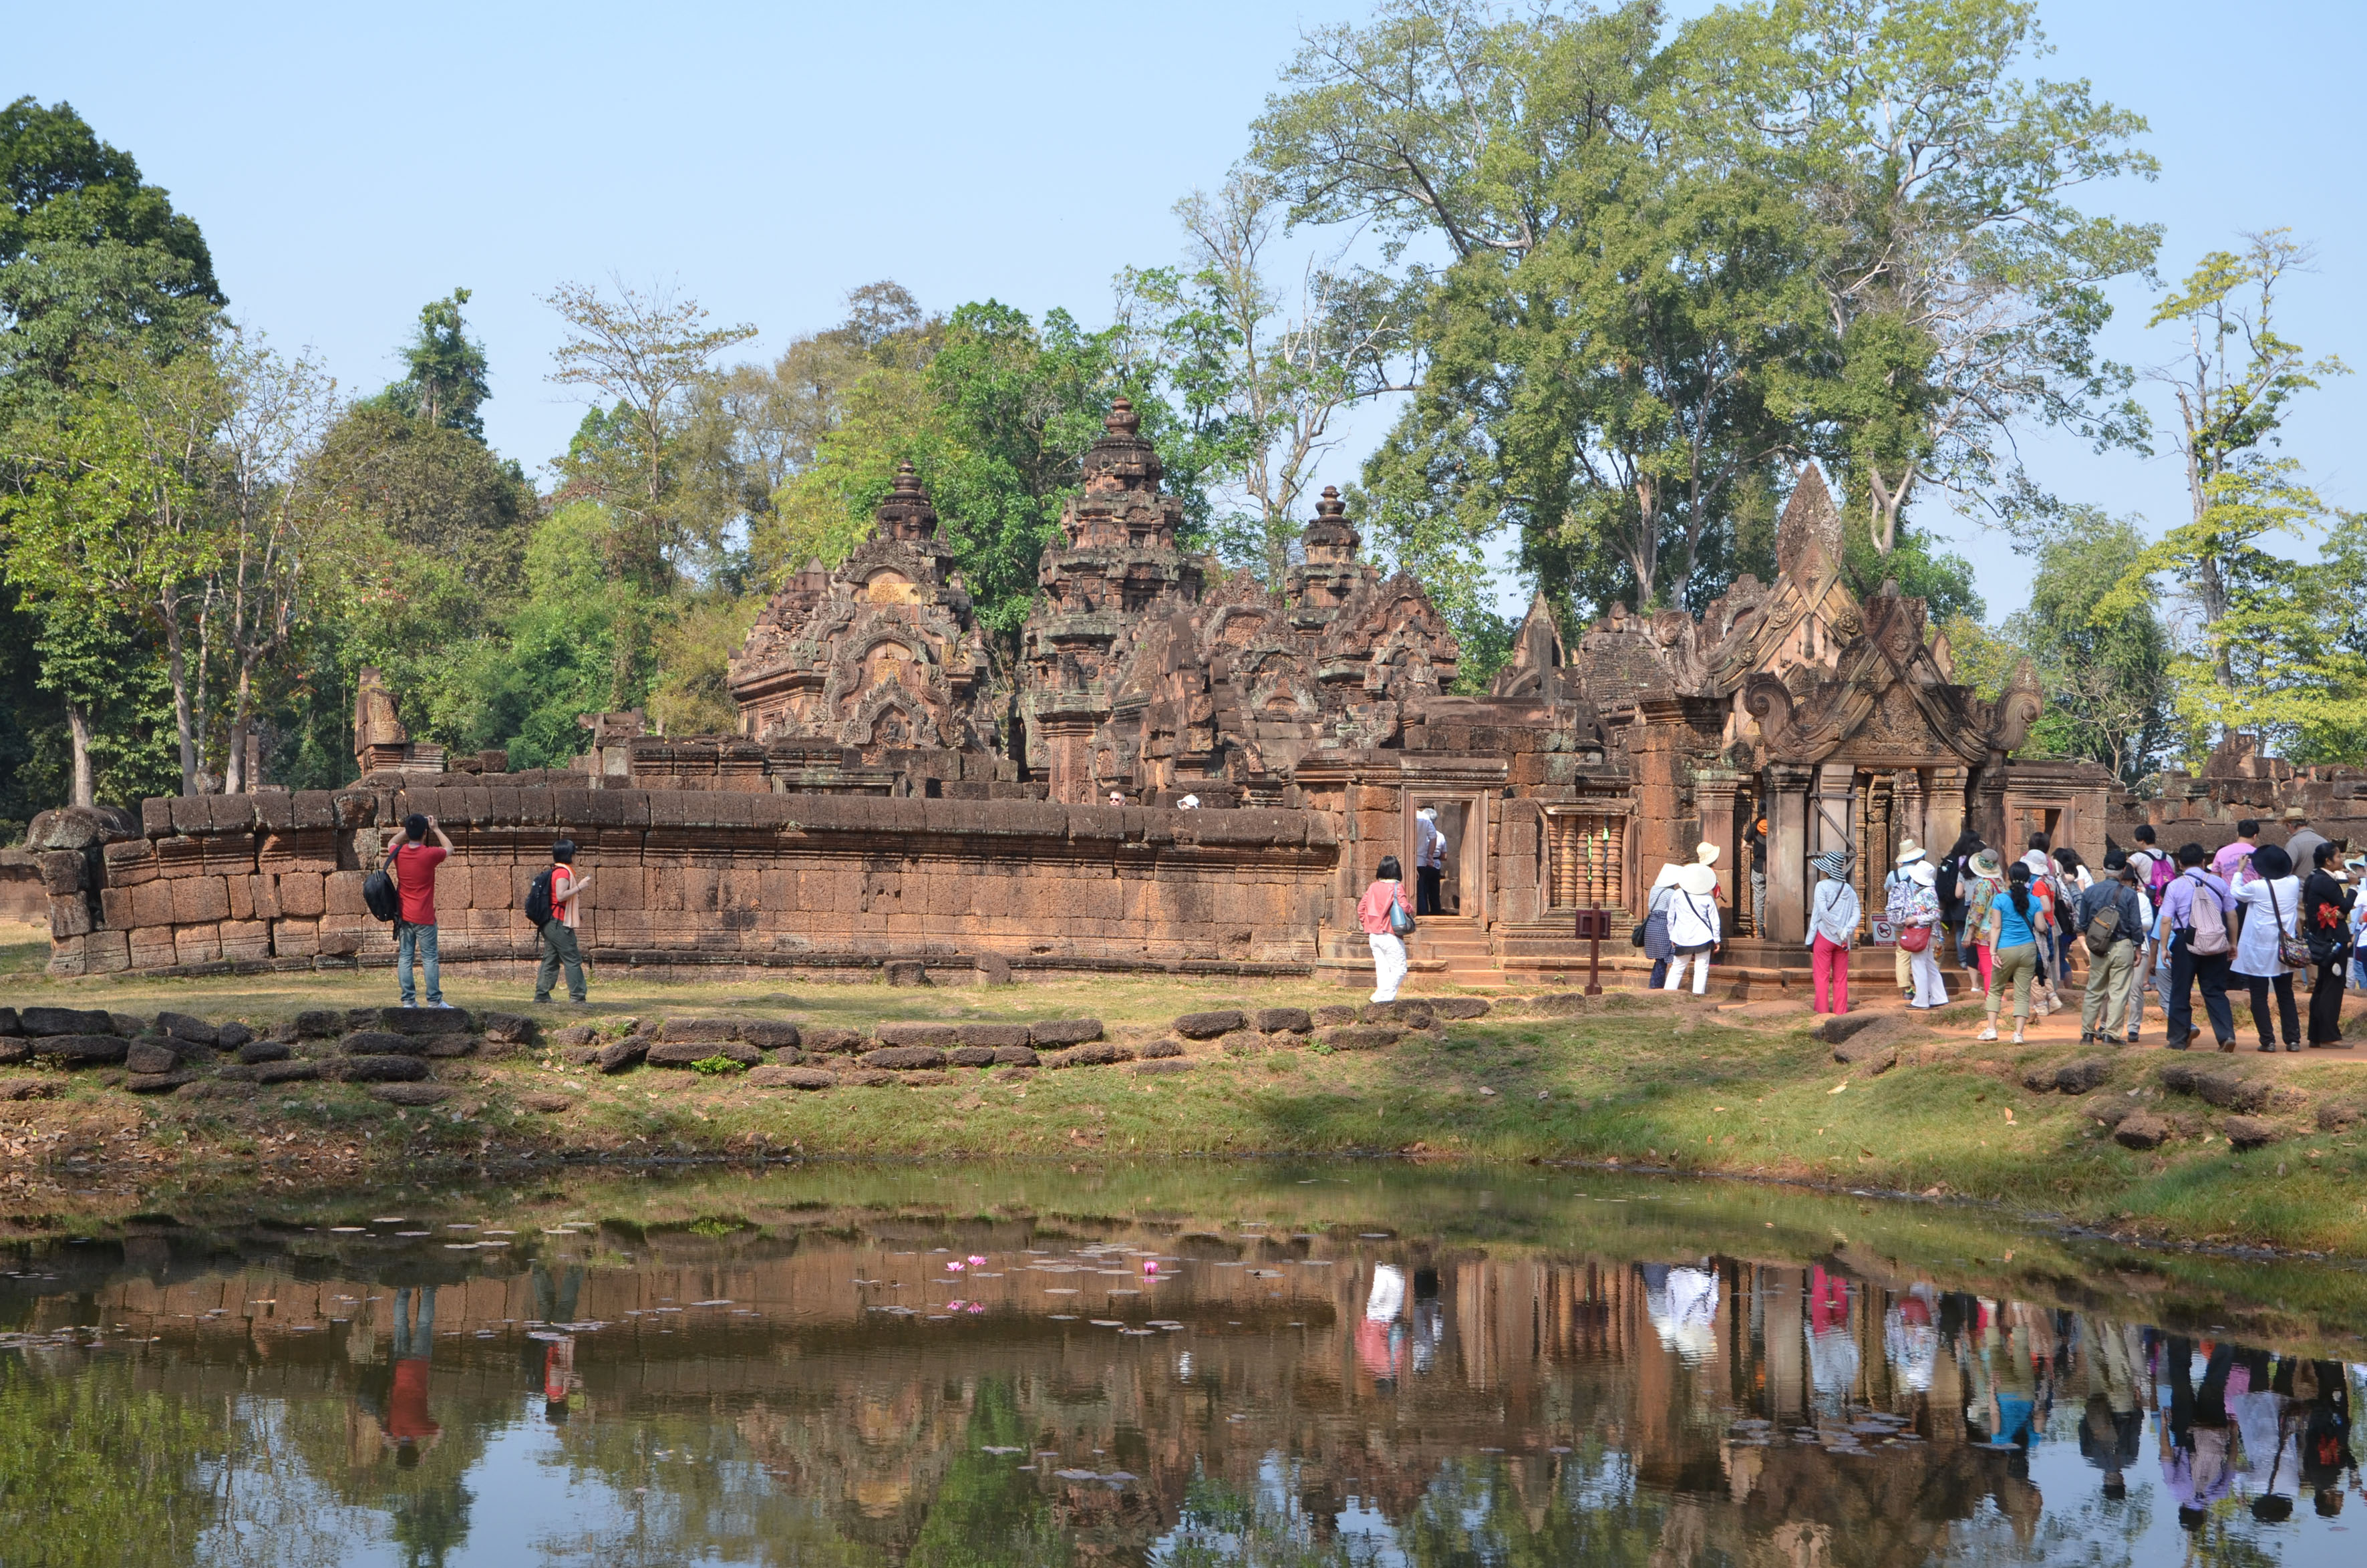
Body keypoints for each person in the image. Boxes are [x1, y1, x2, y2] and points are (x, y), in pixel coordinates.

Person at [2161, 842, 2238, 1052]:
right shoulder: (2219, 883)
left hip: (2185, 940)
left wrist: (2164, 948)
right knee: (2215, 991)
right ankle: (2226, 1036)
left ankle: (2178, 1039)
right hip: (2216, 941)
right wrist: (2232, 943)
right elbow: (2231, 915)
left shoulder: (2176, 886)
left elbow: (2166, 919)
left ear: (2180, 863)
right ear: (2204, 862)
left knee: (2180, 990)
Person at [2233, 842, 2305, 1053]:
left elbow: (2236, 892)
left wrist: (2240, 870)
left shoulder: (2256, 887)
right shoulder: (2292, 883)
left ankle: (2268, 1040)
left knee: (2258, 995)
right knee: (2286, 995)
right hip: (2285, 951)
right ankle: (2293, 1040)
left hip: (2259, 950)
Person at [1976, 862, 2055, 1044]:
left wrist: (1993, 951)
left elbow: (1996, 927)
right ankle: (2018, 1034)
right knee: (2022, 992)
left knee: (1996, 989)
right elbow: (2042, 926)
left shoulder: (2001, 899)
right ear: (2028, 879)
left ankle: (1991, 1029)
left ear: (2009, 878)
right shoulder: (2035, 901)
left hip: (2005, 948)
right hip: (2028, 950)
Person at [2075, 855, 2147, 1046]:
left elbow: (2081, 923)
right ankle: (2111, 1035)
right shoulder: (2130, 894)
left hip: (2099, 946)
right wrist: (2138, 948)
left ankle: (2087, 1034)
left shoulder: (2090, 892)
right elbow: (2135, 925)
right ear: (2124, 871)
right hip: (2123, 945)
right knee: (2118, 991)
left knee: (2094, 990)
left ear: (2103, 869)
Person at [387, 812, 453, 1009]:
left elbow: (391, 841)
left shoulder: (398, 852)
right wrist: (436, 829)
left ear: (408, 832)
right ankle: (434, 1001)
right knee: (430, 957)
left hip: (404, 915)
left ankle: (408, 1000)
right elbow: (450, 848)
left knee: (406, 956)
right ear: (424, 832)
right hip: (424, 916)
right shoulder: (430, 854)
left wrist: (407, 830)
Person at [2302, 843, 2350, 1048]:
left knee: (2323, 985)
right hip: (2332, 940)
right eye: (2338, 856)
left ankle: (2317, 1034)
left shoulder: (2314, 877)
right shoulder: (2325, 881)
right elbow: (2345, 905)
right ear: (2328, 861)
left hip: (2322, 939)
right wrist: (2354, 887)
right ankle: (2329, 1036)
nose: (2341, 859)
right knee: (2333, 986)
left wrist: (2339, 911)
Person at [534, 838, 592, 1005]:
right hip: (558, 922)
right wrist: (580, 886)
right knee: (572, 958)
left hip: (552, 921)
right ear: (569, 854)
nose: (575, 855)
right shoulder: (563, 873)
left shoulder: (556, 871)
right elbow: (560, 896)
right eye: (574, 852)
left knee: (551, 958)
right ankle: (578, 996)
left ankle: (542, 995)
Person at [1356, 856, 1414, 1004]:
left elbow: (1361, 908)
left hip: (1374, 934)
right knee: (1400, 968)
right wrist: (1411, 908)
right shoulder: (1397, 886)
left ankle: (1382, 1000)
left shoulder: (1373, 887)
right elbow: (1404, 906)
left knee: (1382, 969)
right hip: (1390, 933)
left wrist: (1368, 923)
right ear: (1397, 870)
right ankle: (1382, 997)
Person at [1808, 848, 1859, 1015]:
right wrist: (1846, 930)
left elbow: (1823, 912)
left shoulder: (1821, 886)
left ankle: (1822, 1012)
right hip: (1843, 940)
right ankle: (1840, 1012)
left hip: (1825, 936)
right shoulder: (1849, 890)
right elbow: (1856, 913)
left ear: (1827, 870)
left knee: (1822, 977)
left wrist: (1837, 930)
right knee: (1841, 978)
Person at [1662, 862, 1722, 995]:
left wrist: (1672, 935)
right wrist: (1716, 939)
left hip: (1682, 936)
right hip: (1704, 937)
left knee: (1677, 967)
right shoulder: (1707, 898)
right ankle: (1698, 996)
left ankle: (1667, 996)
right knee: (1702, 968)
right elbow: (1714, 920)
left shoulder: (1678, 894)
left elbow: (1670, 917)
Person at [1963, 847, 2009, 999]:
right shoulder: (2001, 884)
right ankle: (1998, 996)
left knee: (1988, 967)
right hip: (2000, 930)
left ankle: (1994, 1000)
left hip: (1984, 933)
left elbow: (1977, 911)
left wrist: (1969, 933)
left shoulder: (1984, 885)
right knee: (1992, 966)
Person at [1935, 831, 1984, 972]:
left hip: (1959, 901)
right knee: (1973, 929)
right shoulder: (1972, 861)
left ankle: (1963, 960)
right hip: (1970, 901)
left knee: (1961, 930)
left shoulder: (1954, 859)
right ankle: (1972, 960)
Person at [1903, 859, 1949, 1008]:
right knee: (1929, 965)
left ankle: (1921, 1000)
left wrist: (1915, 919)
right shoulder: (1926, 892)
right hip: (1927, 933)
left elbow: (1935, 914)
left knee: (1918, 965)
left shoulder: (1927, 893)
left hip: (1923, 933)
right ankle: (1938, 997)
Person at [1885, 842, 1926, 1002]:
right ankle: (1922, 986)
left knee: (1902, 952)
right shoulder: (1919, 872)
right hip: (1917, 918)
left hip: (1899, 919)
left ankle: (1906, 989)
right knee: (1920, 951)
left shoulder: (1892, 875)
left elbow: (1887, 888)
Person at [1642, 863, 1681, 989]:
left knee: (1660, 959)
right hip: (1663, 925)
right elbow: (1673, 911)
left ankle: (1656, 985)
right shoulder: (1671, 893)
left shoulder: (1654, 889)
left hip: (1652, 924)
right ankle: (1657, 987)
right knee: (1664, 958)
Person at [1413, 806, 1446, 915]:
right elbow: (1433, 836)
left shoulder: (1414, 815)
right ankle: (1423, 914)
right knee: (1421, 890)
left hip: (1409, 858)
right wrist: (1430, 855)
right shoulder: (1426, 820)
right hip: (1421, 860)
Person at [2213, 819, 2261, 887]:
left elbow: (2215, 880)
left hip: (2228, 896)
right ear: (2255, 836)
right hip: (2253, 896)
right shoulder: (2260, 854)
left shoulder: (2221, 852)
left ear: (2237, 834)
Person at [2284, 810, 2330, 879]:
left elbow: (2286, 870)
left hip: (2301, 888)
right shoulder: (2323, 841)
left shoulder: (2294, 843)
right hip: (2321, 886)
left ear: (2290, 825)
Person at [1744, 815, 1768, 936]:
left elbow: (1744, 844)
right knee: (1773, 899)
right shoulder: (1775, 824)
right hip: (1773, 868)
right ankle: (1775, 928)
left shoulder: (1754, 826)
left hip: (1758, 868)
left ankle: (1760, 930)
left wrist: (1755, 847)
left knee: (1759, 899)